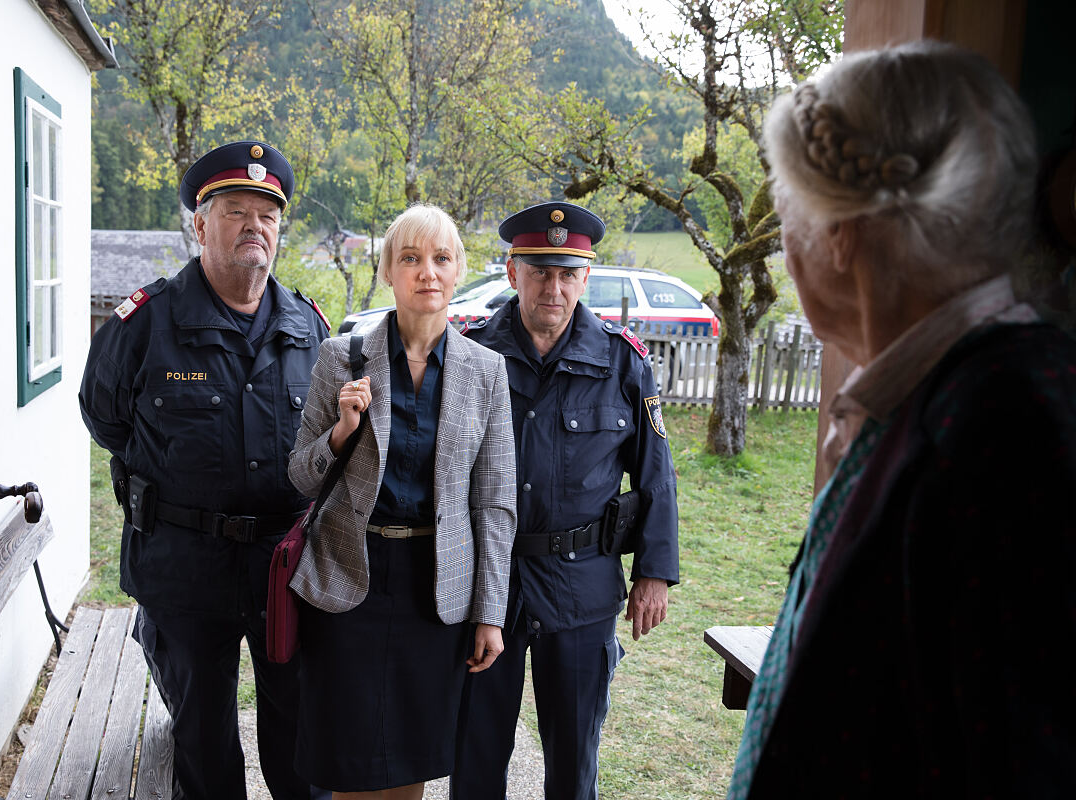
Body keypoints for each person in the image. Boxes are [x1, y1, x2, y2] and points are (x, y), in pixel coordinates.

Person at [727, 41, 1076, 798]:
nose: (783, 244)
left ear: (838, 234)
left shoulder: (1003, 432)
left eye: (785, 211)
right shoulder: (942, 396)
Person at [79, 141, 330, 800]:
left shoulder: (308, 327)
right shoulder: (145, 324)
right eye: (236, 212)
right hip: (184, 567)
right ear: (200, 224)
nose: (255, 227)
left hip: (284, 569)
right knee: (203, 745)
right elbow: (104, 419)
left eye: (267, 215)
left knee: (302, 740)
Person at [452, 201, 681, 799]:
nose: (553, 288)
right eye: (539, 271)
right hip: (487, 583)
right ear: (513, 272)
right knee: (474, 752)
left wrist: (654, 573)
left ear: (586, 277)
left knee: (574, 757)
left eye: (567, 273)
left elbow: (656, 474)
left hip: (581, 584)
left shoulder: (622, 362)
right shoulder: (470, 354)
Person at [287, 204, 516, 800]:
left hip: (434, 588)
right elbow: (302, 477)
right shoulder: (341, 358)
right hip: (348, 578)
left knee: (412, 759)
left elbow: (495, 504)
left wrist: (490, 612)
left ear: (458, 270)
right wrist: (341, 432)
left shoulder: (486, 372)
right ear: (389, 270)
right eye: (410, 258)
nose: (427, 272)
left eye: (441, 258)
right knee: (349, 762)